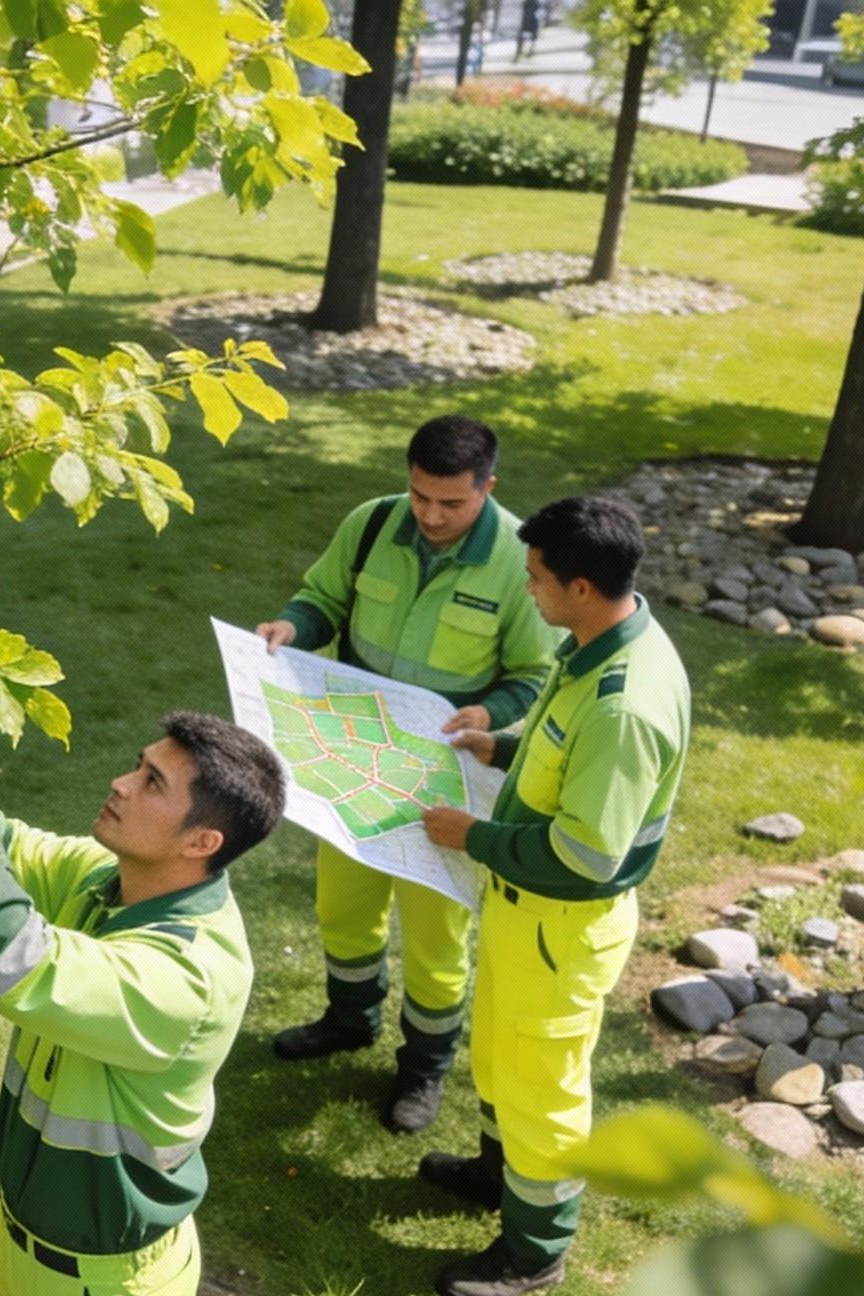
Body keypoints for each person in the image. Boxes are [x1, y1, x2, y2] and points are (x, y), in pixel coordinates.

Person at [0, 650, 286, 1296]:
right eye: (139, 764)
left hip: (105, 1284)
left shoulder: (184, 976)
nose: (121, 783)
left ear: (202, 842)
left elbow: (3, 957)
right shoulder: (113, 881)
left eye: (152, 782)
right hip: (28, 1250)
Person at [416, 496, 691, 1296]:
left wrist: (473, 837)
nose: (525, 589)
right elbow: (559, 752)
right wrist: (500, 745)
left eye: (535, 578)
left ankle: (534, 1251)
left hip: (559, 924)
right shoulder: (598, 641)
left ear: (579, 586)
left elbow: (584, 856)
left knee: (544, 1086)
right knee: (503, 1058)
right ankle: (498, 1175)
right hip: (523, 912)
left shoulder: (625, 704)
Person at [255, 416, 557, 1133]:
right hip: (354, 760)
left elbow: (533, 674)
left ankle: (423, 1069)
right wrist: (292, 626)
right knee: (343, 907)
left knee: (435, 940)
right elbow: (322, 599)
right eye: (420, 496)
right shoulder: (370, 525)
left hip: (444, 781)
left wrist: (489, 715)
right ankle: (349, 1019)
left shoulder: (519, 564)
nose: (430, 515)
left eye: (451, 503)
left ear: (488, 487)